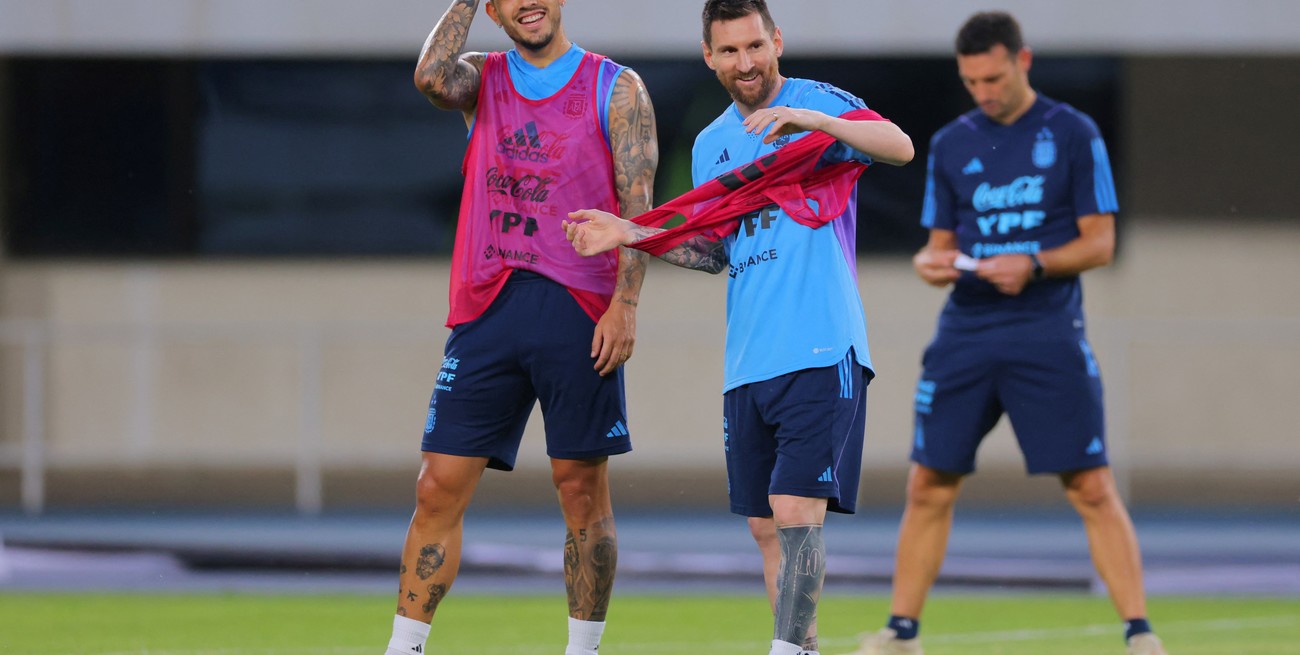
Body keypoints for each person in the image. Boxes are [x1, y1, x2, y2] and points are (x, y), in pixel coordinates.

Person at [564, 2, 913, 654]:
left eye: (755, 45)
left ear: (776, 40)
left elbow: (899, 145)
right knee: (763, 525)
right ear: (709, 56)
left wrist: (814, 121)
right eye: (729, 51)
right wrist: (631, 233)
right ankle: (801, 647)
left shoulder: (817, 101)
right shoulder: (709, 144)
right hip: (750, 358)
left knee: (794, 515)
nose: (745, 62)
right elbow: (717, 250)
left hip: (821, 344)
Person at [848, 11, 1168, 655]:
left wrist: (1037, 262)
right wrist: (927, 264)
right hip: (965, 333)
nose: (983, 92)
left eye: (993, 77)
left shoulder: (1072, 133)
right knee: (928, 483)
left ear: (1023, 61)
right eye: (971, 82)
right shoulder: (952, 143)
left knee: (1091, 485)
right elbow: (938, 247)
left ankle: (1139, 633)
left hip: (1047, 330)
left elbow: (1101, 242)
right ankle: (902, 632)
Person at [382, 1, 657, 655]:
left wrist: (627, 304)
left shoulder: (616, 87)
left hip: (580, 309)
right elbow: (429, 77)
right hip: (488, 309)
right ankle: (405, 645)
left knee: (581, 488)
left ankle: (583, 649)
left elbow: (638, 202)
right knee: (436, 484)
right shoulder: (482, 77)